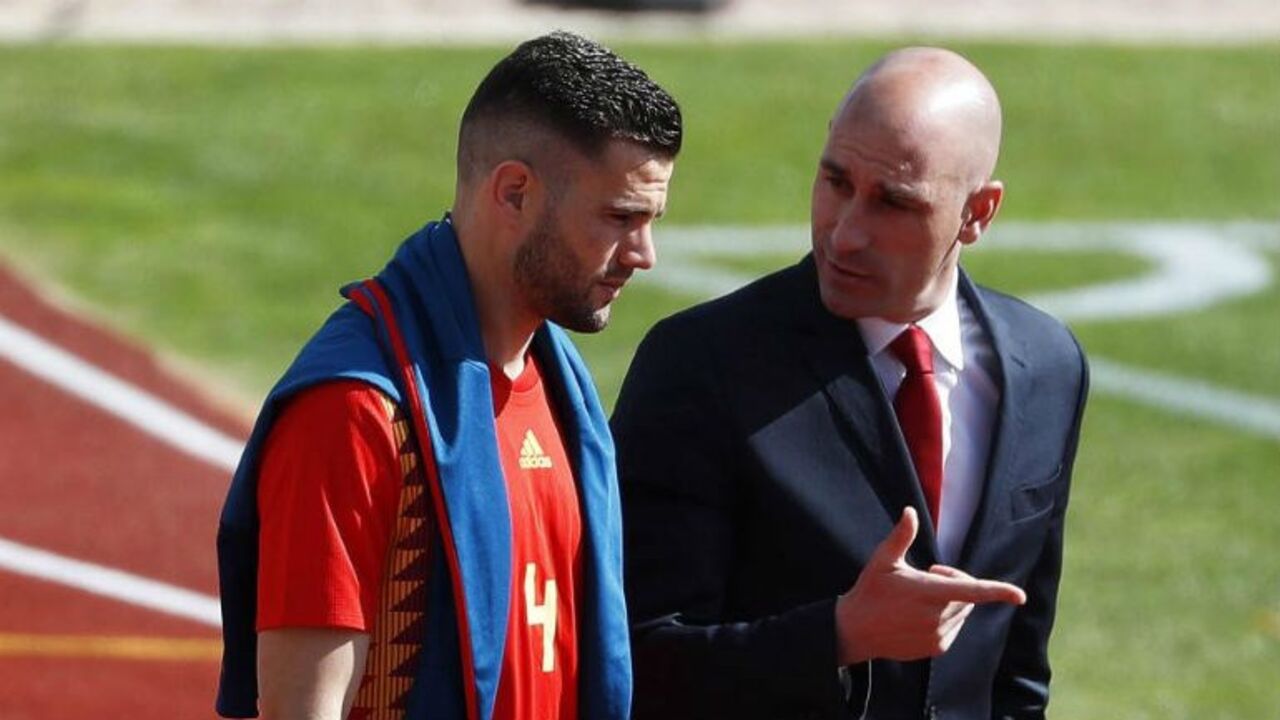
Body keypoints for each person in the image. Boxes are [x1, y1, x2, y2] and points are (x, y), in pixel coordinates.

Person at [611, 46, 1088, 719]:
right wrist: (838, 635)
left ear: (977, 213)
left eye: (894, 202)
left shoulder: (1047, 367)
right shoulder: (701, 365)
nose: (845, 234)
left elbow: (1018, 670)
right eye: (836, 181)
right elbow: (635, 660)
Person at [215, 31, 681, 720]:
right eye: (620, 217)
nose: (644, 253)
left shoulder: (561, 387)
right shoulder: (355, 413)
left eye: (650, 220)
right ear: (515, 193)